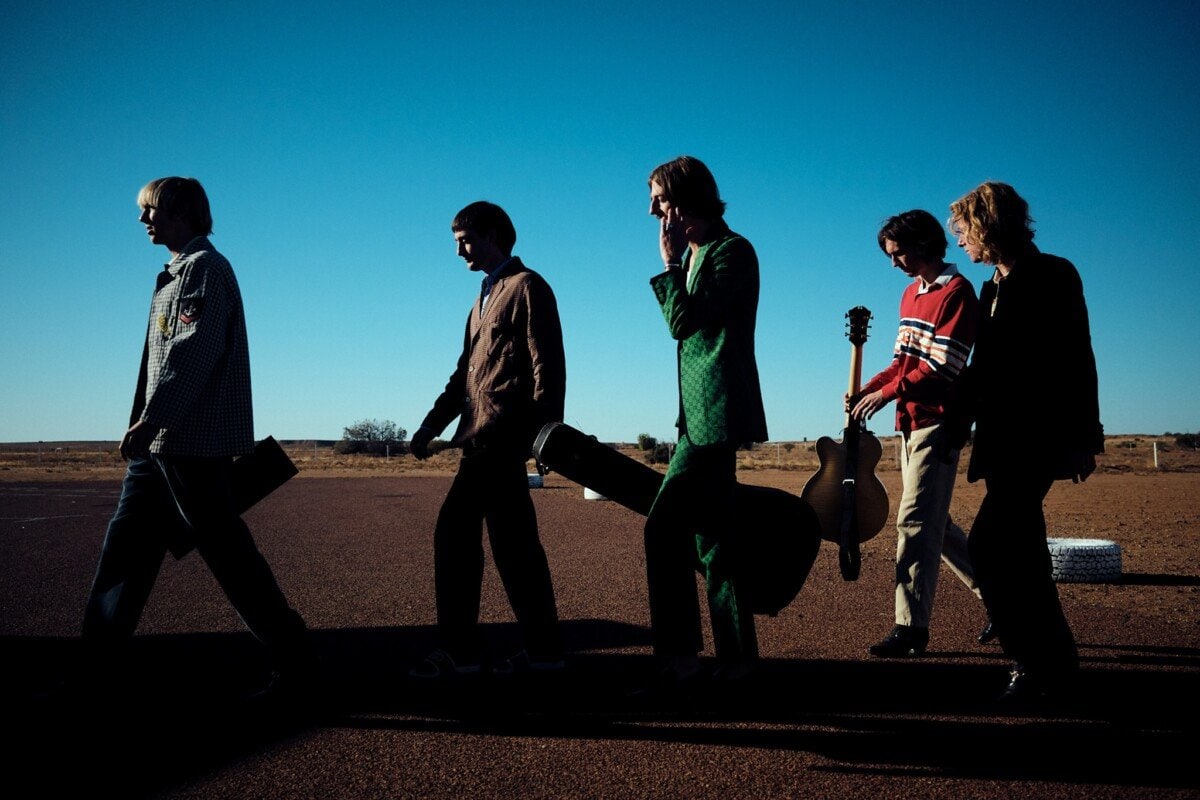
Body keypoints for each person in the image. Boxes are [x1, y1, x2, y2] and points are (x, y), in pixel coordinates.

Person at [82, 176, 311, 702]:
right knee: (124, 557)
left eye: (151, 210)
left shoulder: (205, 269)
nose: (143, 220)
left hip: (189, 444)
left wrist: (149, 418)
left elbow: (192, 351)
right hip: (161, 448)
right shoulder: (174, 274)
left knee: (231, 557)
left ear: (182, 212)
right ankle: (93, 675)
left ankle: (296, 664)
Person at [947, 181, 1103, 702]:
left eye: (964, 231)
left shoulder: (1055, 274)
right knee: (1022, 552)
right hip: (1000, 438)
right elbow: (982, 368)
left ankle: (1035, 658)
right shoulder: (992, 288)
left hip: (1038, 435)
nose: (960, 243)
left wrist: (1086, 438)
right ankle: (1053, 664)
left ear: (988, 225)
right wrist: (954, 424)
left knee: (992, 546)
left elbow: (1079, 357)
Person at [408, 201, 566, 679]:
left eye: (466, 240)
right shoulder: (479, 301)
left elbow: (548, 365)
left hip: (503, 440)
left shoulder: (527, 287)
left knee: (454, 536)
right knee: (515, 548)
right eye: (456, 242)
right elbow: (464, 377)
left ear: (495, 234)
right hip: (477, 439)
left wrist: (545, 436)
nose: (459, 251)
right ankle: (544, 652)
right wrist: (431, 425)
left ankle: (462, 652)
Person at [642, 156, 768, 689]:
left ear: (686, 198)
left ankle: (682, 658)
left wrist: (669, 266)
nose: (652, 210)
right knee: (715, 540)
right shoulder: (699, 254)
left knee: (663, 526)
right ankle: (736, 662)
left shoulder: (731, 251)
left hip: (717, 413)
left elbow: (682, 322)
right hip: (694, 417)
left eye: (659, 199)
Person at [850, 210, 991, 658]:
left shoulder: (958, 294)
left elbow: (943, 369)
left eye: (899, 253)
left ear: (925, 245)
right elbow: (903, 362)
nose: (894, 264)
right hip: (908, 425)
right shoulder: (910, 295)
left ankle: (910, 629)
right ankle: (1004, 602)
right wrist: (867, 390)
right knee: (935, 524)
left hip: (939, 422)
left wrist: (887, 393)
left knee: (913, 522)